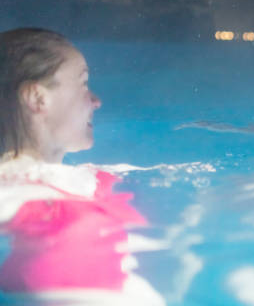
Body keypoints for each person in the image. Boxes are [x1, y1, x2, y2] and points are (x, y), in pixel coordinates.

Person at [0, 28, 163, 304]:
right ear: (39, 99)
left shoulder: (72, 181)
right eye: (83, 84)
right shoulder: (12, 193)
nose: (96, 101)